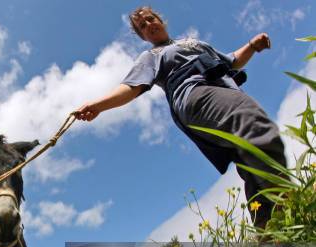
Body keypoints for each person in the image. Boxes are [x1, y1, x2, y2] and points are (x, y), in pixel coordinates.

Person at [74, 6, 287, 228]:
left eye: (150, 19)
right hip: (196, 94)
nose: (148, 25)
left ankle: (270, 233)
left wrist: (253, 46)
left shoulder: (195, 43)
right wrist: (98, 105)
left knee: (250, 159)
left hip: (227, 93)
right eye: (142, 26)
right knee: (254, 123)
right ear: (143, 36)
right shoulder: (152, 56)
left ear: (161, 20)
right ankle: (288, 201)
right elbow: (132, 86)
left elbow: (232, 60)